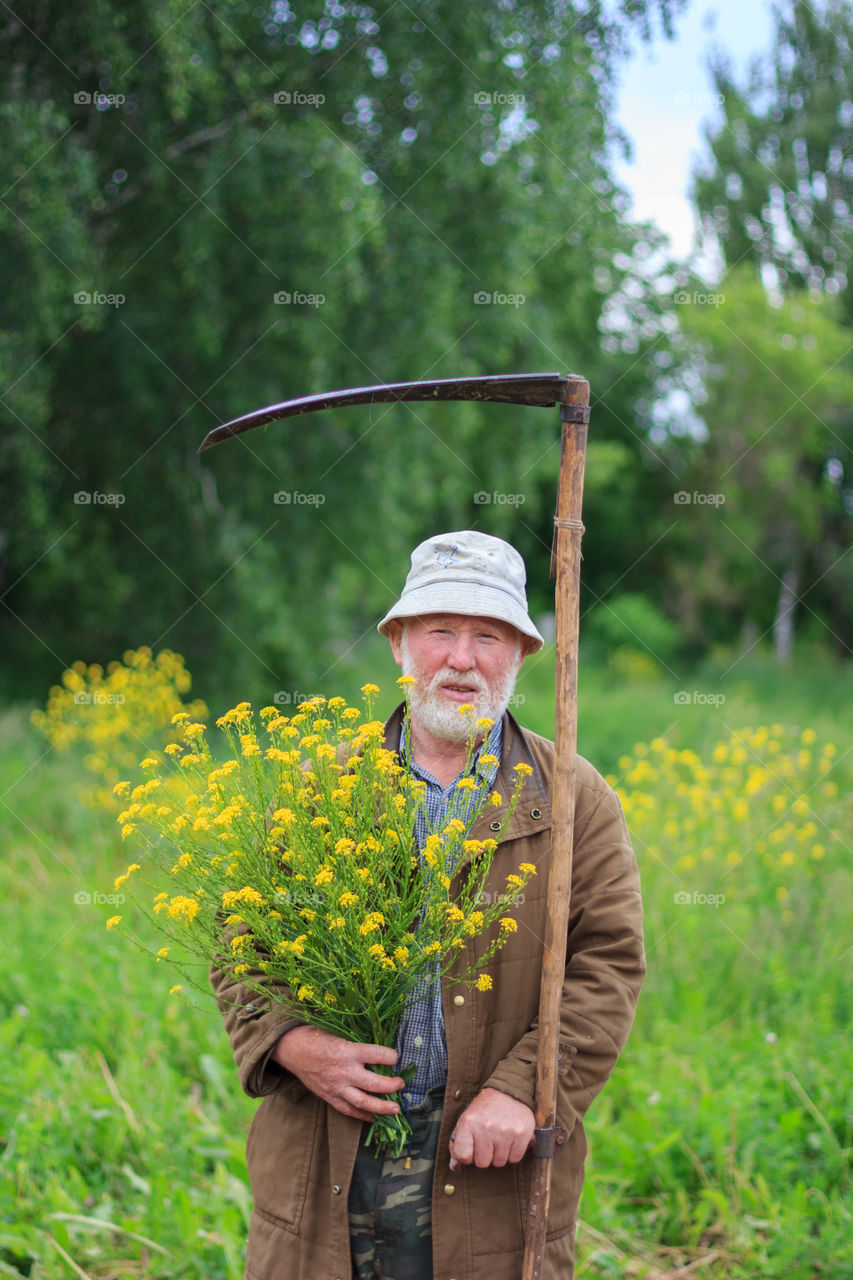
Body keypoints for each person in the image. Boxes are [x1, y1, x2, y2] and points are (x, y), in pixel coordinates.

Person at [211, 530, 645, 1280]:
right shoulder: (320, 787)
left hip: (488, 1159)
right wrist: (291, 1042)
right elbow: (240, 940)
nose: (461, 658)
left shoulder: (574, 795)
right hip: (327, 1151)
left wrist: (523, 1090)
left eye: (488, 636)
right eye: (440, 631)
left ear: (521, 654)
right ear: (398, 643)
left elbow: (606, 965)